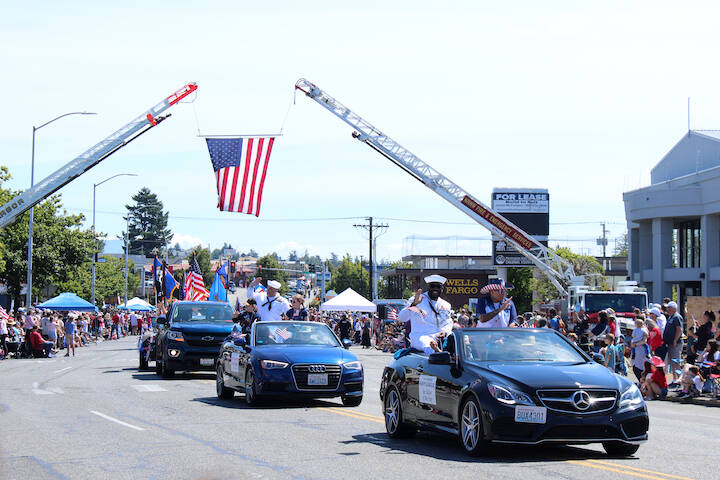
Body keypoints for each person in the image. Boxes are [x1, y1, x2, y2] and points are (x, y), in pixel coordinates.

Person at [398, 275, 453, 354]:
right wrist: (413, 305)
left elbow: (448, 323)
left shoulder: (446, 305)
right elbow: (401, 318)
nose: (435, 289)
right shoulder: (417, 299)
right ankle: (437, 353)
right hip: (420, 336)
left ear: (442, 288)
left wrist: (445, 332)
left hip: (439, 337)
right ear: (428, 287)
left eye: (438, 286)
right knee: (427, 344)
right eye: (432, 286)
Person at [662, 301, 684, 384]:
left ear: (674, 309)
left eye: (669, 308)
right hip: (670, 343)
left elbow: (679, 329)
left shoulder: (677, 317)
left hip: (676, 343)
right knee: (672, 362)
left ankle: (679, 379)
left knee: (676, 361)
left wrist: (675, 339)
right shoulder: (671, 317)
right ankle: (674, 378)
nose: (667, 310)